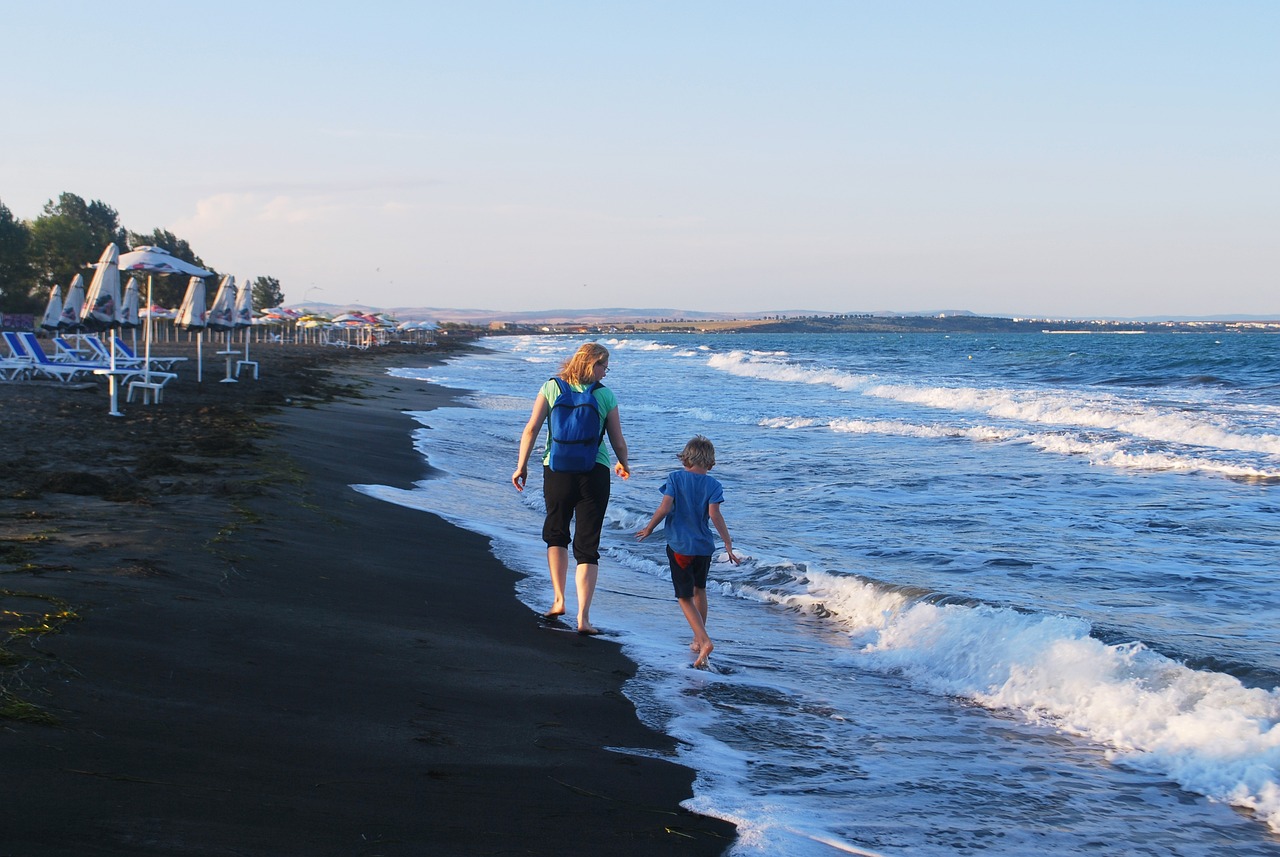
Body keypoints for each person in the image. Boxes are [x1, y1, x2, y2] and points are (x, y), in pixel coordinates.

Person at [512, 343, 630, 634]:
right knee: (588, 545)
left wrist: (521, 465)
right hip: (595, 471)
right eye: (604, 366)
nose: (606, 371)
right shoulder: (604, 395)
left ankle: (558, 600)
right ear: (593, 364)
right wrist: (623, 463)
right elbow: (617, 439)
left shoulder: (552, 387)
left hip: (556, 469)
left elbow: (531, 428)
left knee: (556, 533)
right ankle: (584, 619)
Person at [635, 435, 739, 667]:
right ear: (710, 461)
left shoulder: (675, 478)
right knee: (699, 590)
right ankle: (697, 639)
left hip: (680, 546)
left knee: (684, 596)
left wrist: (649, 528)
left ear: (685, 458)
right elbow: (714, 515)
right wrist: (728, 543)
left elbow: (665, 507)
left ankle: (704, 640)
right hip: (703, 547)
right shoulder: (714, 485)